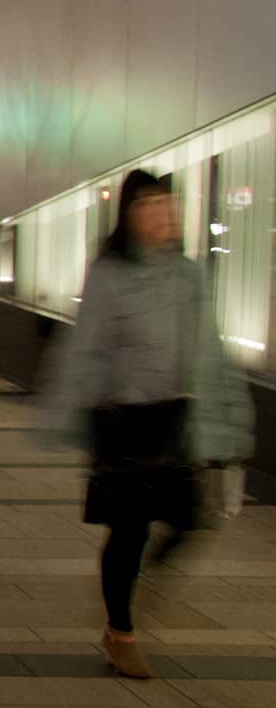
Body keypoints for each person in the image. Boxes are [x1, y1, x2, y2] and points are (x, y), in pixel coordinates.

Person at [43, 170, 253, 678]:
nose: (165, 215)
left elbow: (210, 350)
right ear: (132, 215)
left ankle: (132, 597)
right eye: (153, 206)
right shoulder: (110, 274)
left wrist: (230, 421)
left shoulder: (189, 275)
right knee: (129, 532)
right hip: (123, 421)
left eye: (169, 205)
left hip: (174, 417)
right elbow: (85, 348)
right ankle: (120, 630)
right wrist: (68, 412)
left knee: (189, 521)